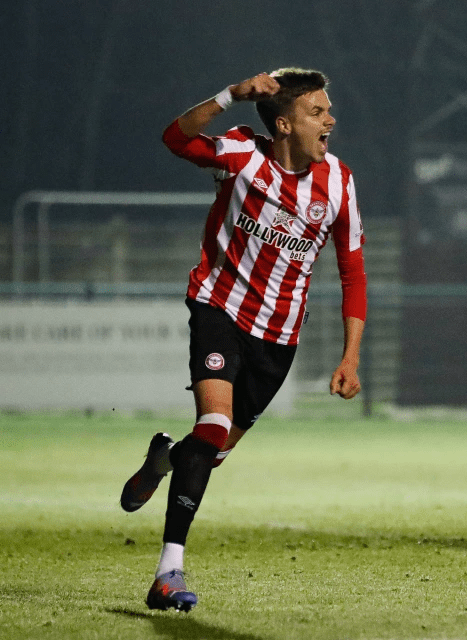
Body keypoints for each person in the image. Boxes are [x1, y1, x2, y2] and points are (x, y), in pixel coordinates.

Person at [119, 68, 367, 610]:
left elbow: (353, 273)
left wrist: (350, 356)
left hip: (278, 339)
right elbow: (175, 139)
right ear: (283, 123)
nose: (331, 120)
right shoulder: (242, 155)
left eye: (328, 110)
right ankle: (169, 572)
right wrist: (230, 96)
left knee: (212, 453)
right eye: (318, 111)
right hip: (219, 309)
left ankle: (164, 460)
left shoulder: (340, 183)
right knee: (212, 426)